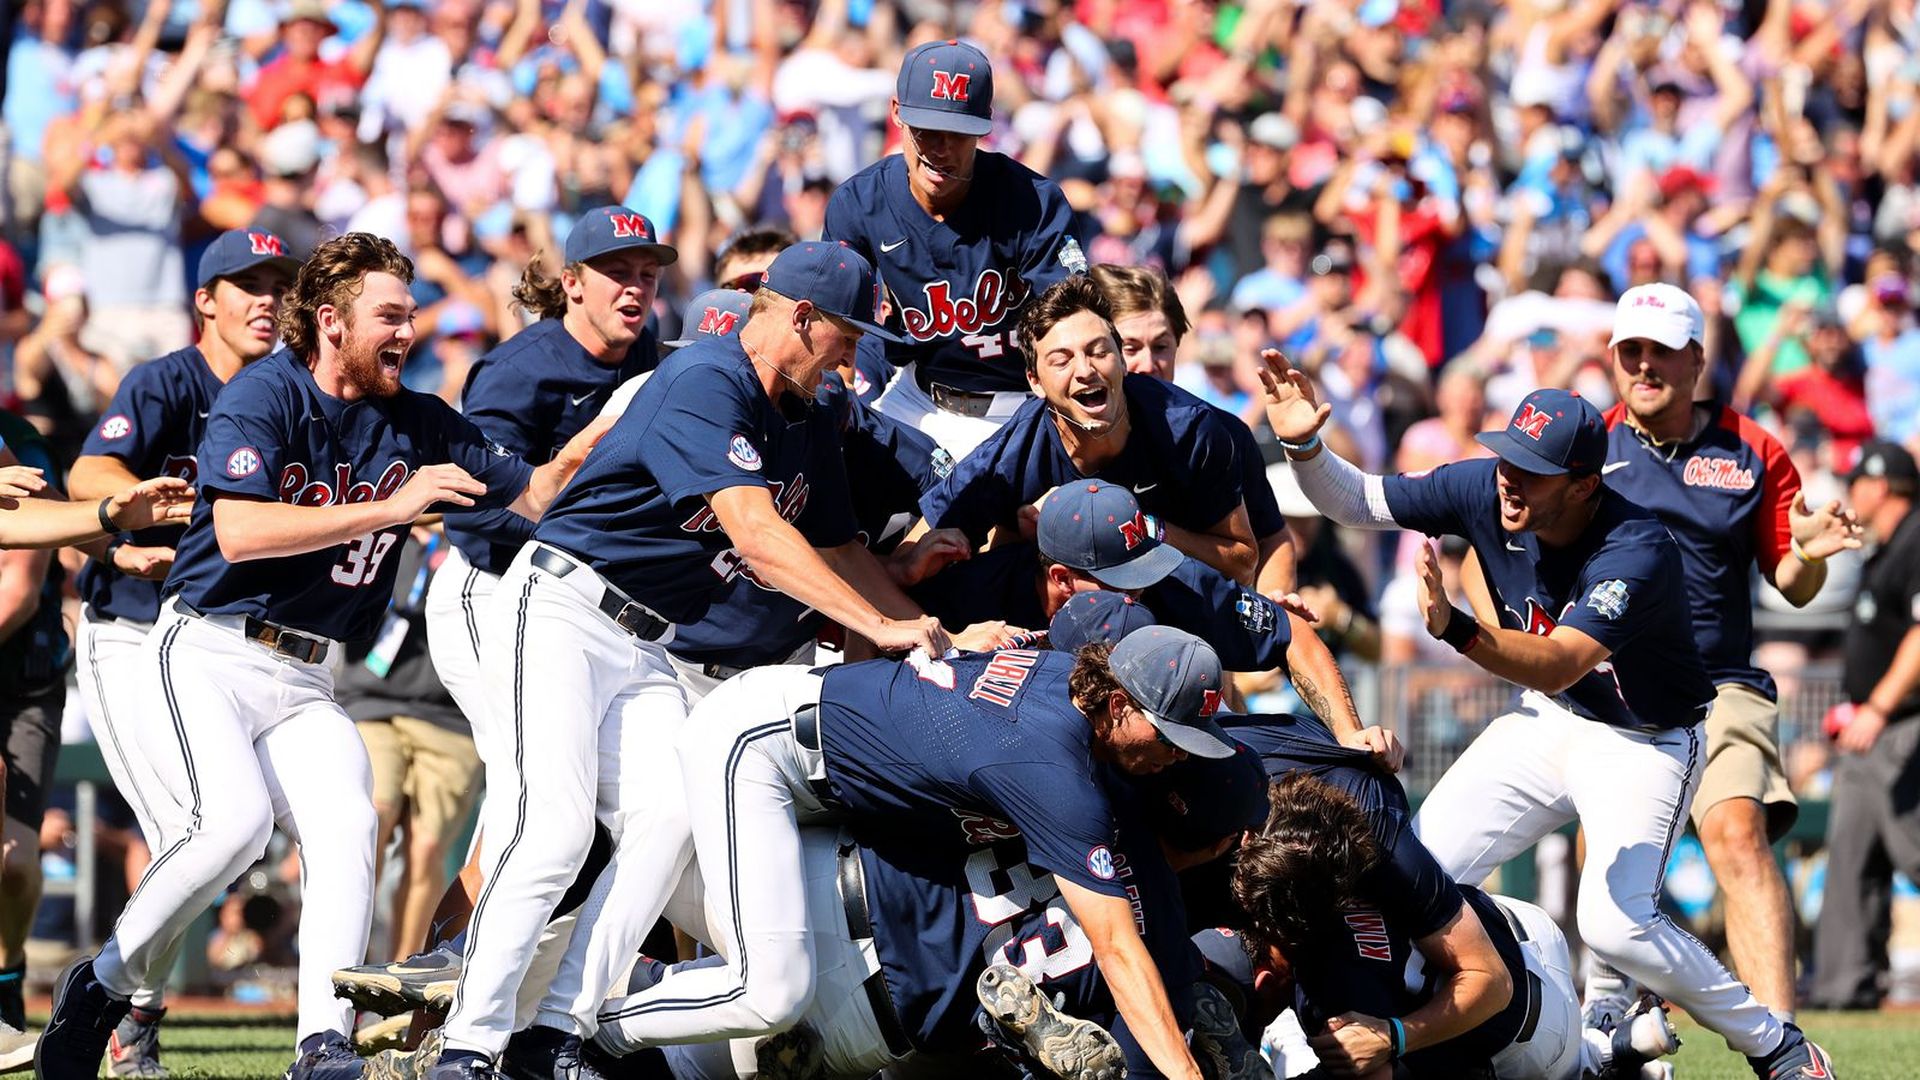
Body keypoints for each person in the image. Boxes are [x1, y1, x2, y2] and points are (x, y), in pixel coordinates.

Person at [35, 232, 606, 1080]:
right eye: (390, 315)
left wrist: (635, 406)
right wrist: (391, 508)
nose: (408, 332)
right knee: (229, 829)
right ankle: (102, 985)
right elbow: (239, 529)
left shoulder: (417, 419)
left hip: (308, 673)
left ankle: (318, 1047)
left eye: (412, 315)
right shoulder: (264, 392)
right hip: (209, 649)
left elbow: (540, 489)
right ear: (332, 321)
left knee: (348, 829)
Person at [433, 242, 948, 1079]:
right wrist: (873, 625)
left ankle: (554, 1032)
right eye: (846, 337)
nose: (855, 357)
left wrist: (919, 627)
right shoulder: (707, 377)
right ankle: (470, 1043)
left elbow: (840, 546)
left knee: (672, 822)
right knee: (555, 826)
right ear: (800, 316)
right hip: (562, 601)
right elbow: (756, 533)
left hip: (648, 639)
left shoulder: (809, 412)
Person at [1259, 357, 1837, 1079]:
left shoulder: (1638, 547)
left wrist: (1457, 629)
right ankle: (1585, 1053)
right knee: (1411, 876)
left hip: (1644, 740)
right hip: (1549, 721)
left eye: (1532, 470)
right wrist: (1305, 448)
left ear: (1584, 485)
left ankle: (1777, 1044)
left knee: (1614, 924)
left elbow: (1561, 658)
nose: (1509, 478)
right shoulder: (1486, 484)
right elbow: (1359, 501)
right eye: (1509, 457)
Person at [591, 629, 1231, 1080]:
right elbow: (1118, 948)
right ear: (1117, 704)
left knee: (683, 961)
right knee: (766, 990)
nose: (1176, 756)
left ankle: (598, 1005)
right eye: (1172, 738)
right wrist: (1185, 1073)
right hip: (774, 755)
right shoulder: (1065, 785)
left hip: (819, 833)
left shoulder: (1061, 673)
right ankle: (579, 1028)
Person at [64, 227, 301, 1073]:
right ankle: (134, 1016)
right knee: (186, 826)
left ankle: (127, 1002)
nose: (267, 300)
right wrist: (133, 511)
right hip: (130, 628)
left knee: (226, 835)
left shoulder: (292, 390)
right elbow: (88, 478)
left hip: (214, 643)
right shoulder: (168, 380)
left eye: (278, 284)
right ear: (206, 300)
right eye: (247, 284)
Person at [1597, 283, 1862, 1026]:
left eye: (1661, 352)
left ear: (1696, 361)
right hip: (1610, 687)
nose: (1644, 367)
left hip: (1720, 687)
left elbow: (1795, 583)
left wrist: (1808, 552)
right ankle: (1609, 1023)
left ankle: (1785, 1047)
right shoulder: (1586, 445)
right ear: (1613, 359)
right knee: (1602, 846)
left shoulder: (1754, 448)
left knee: (1737, 832)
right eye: (1631, 352)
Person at [1195, 713, 1680, 1080]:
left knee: (1297, 1048)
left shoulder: (1328, 991)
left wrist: (1394, 1036)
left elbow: (1485, 987)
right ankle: (1608, 1050)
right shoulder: (1349, 831)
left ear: (1262, 981)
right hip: (1527, 937)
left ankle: (1588, 1063)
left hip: (1519, 1042)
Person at [427, 206, 675, 742]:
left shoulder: (647, 352)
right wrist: (582, 533)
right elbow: (472, 508)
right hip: (488, 587)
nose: (634, 289)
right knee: (524, 762)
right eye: (617, 273)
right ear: (573, 283)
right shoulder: (520, 372)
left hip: (581, 595)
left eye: (646, 275)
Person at [823, 39, 1084, 457]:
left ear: (985, 126)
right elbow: (833, 321)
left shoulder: (1033, 201)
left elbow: (1071, 322)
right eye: (926, 130)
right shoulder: (860, 203)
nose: (941, 149)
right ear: (897, 114)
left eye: (959, 133)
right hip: (919, 398)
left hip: (1021, 406)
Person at [920, 276, 1259, 584]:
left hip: (1176, 601)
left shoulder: (1191, 429)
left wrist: (1143, 528)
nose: (1085, 370)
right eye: (1061, 360)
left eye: (1099, 352)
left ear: (1122, 362)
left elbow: (1242, 561)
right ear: (1034, 382)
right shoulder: (1012, 453)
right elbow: (919, 548)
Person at [1089, 262, 1298, 598]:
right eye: (1129, 348)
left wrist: (1278, 606)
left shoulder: (1221, 433)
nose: (1147, 364)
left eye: (1160, 347)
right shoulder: (1068, 432)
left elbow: (1273, 537)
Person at [1808, 441, 1920, 1011]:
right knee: (1850, 862)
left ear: (1882, 486)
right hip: (1865, 733)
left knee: (1916, 852)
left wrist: (1877, 707)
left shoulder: (1917, 538)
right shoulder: (1884, 551)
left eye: (1858, 482)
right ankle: (1842, 992)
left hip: (1901, 728)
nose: (1851, 493)